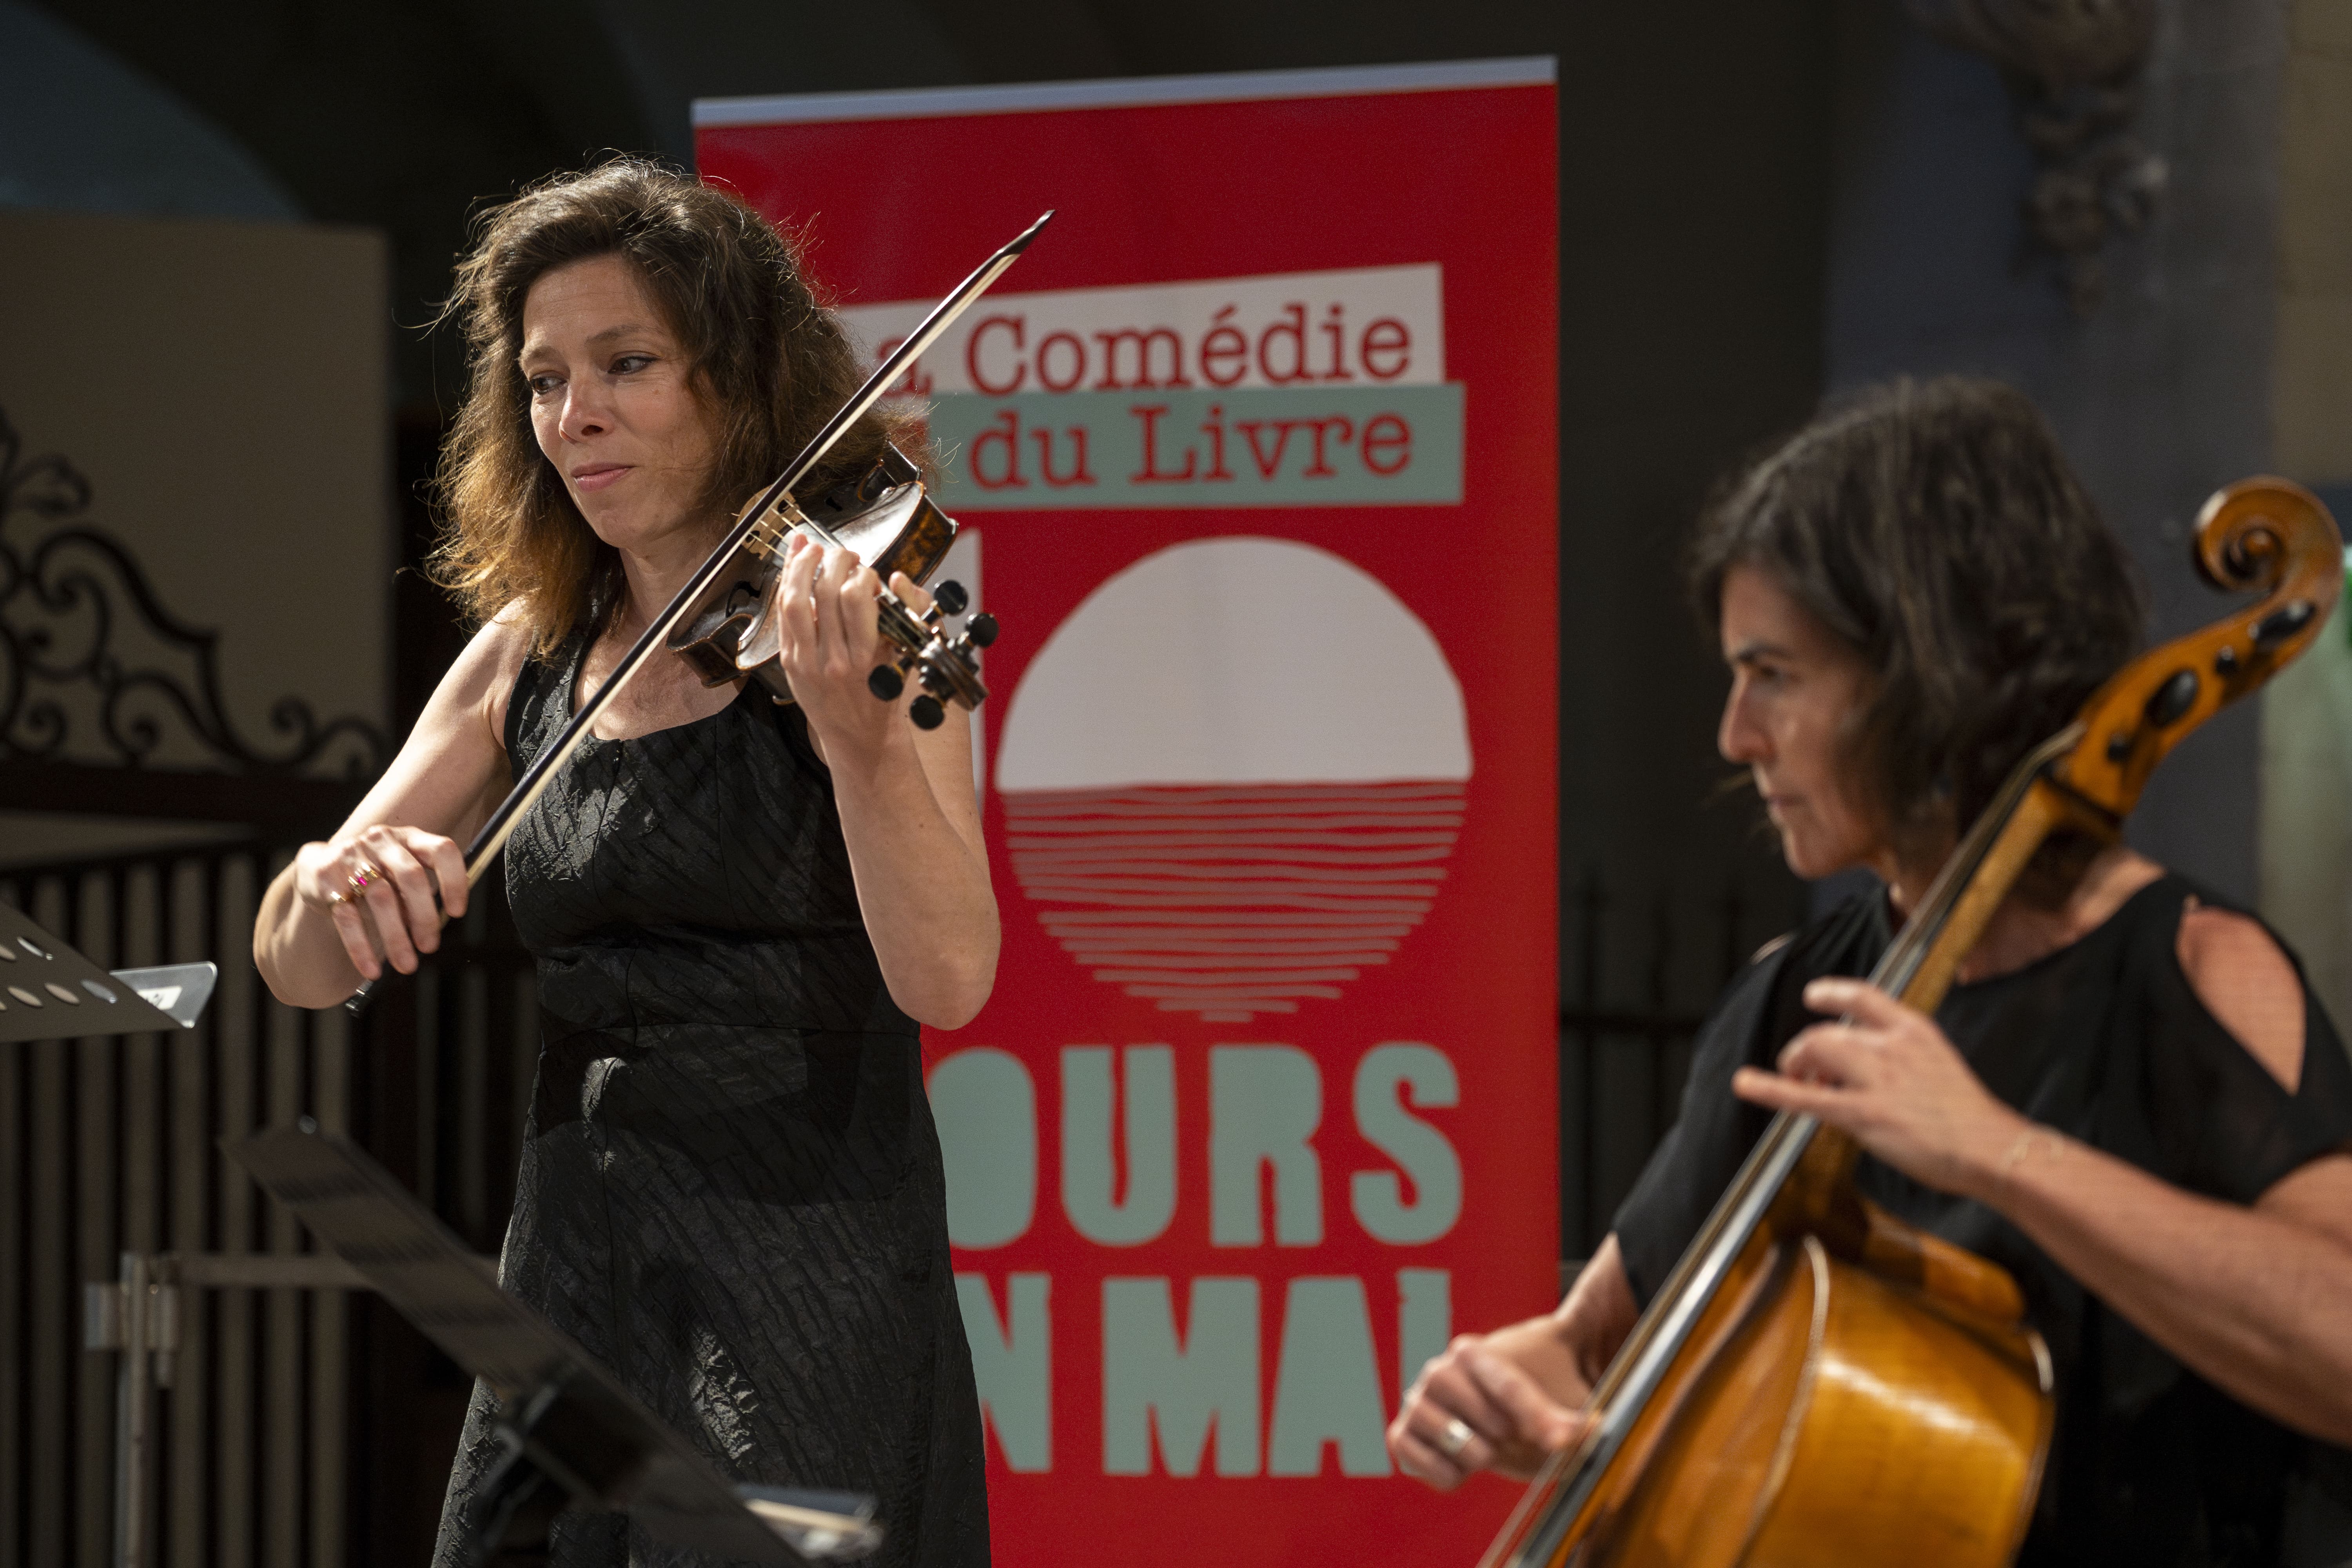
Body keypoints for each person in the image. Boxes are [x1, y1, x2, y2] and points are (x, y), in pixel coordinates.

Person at [1389, 378, 2352, 1563]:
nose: (1737, 735)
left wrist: (1998, 1152)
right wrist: (1509, 1383)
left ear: (1929, 676)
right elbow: (1593, 1343)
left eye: (1776, 676)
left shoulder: (2191, 972)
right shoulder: (1796, 997)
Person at [252, 158, 998, 1567]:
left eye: (627, 364)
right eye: (543, 379)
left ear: (739, 379)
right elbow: (293, 964)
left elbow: (951, 978)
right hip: (581, 1257)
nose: (573, 415)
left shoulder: (865, 621)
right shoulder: (524, 657)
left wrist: (863, 746)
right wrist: (330, 880)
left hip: (814, 1264)